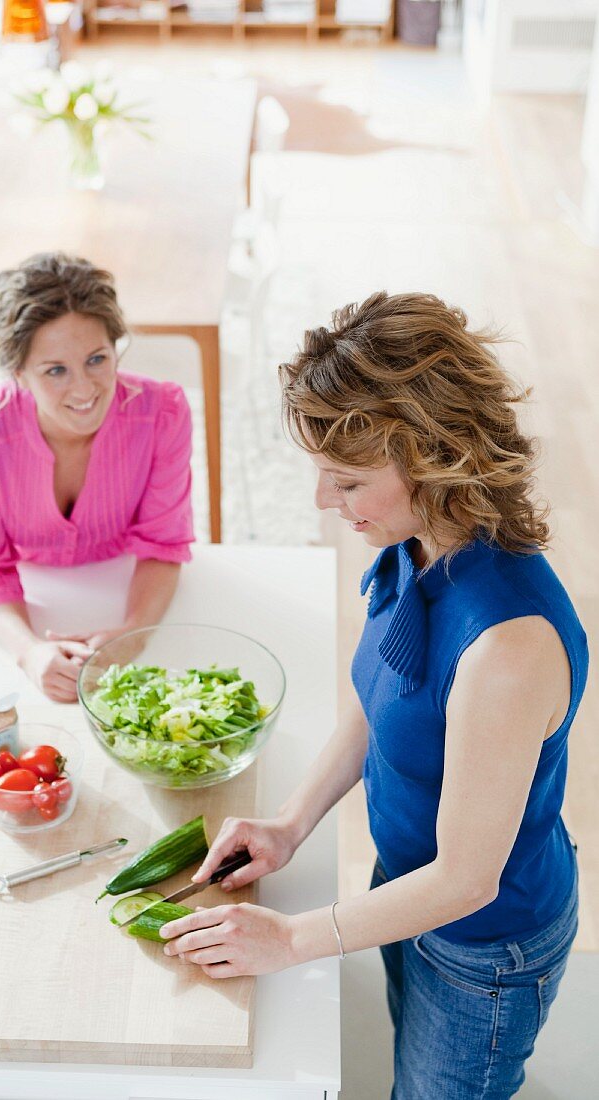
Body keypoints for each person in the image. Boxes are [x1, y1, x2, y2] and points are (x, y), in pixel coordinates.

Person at [158, 291, 588, 1098]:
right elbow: (382, 695)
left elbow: (464, 880)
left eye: (347, 480)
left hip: (482, 949)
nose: (326, 501)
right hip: (403, 888)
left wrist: (291, 941)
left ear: (432, 457)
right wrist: (290, 824)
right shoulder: (419, 545)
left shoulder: (506, 647)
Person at [0, 252, 194, 702]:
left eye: (97, 359)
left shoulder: (164, 413)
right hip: (29, 603)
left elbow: (163, 542)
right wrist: (29, 651)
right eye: (55, 370)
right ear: (17, 372)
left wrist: (132, 635)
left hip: (129, 587)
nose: (84, 389)